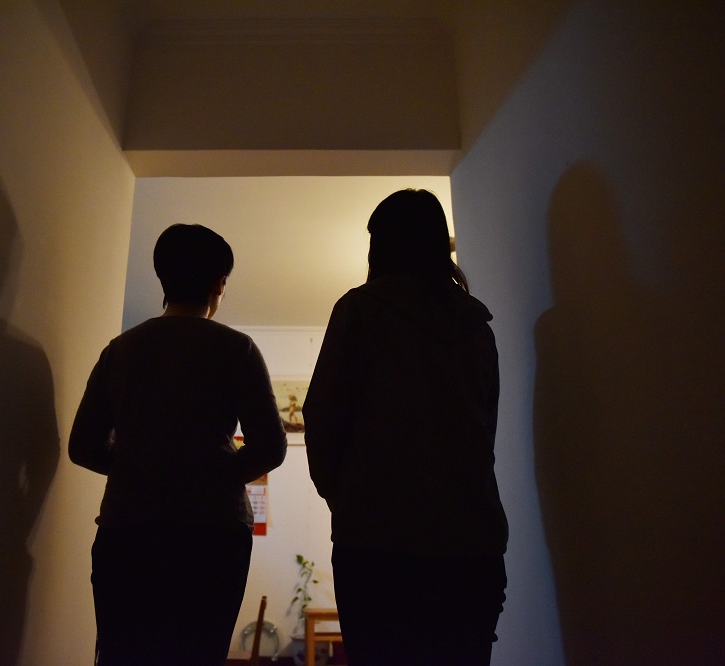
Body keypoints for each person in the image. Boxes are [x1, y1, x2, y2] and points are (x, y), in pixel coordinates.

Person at [303, 189, 508, 665]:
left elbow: (322, 418)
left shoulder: (359, 311)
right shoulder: (477, 326)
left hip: (377, 546)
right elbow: (484, 432)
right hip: (470, 546)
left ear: (379, 246)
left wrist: (346, 496)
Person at [69, 224, 287, 666]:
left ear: (162, 280)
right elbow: (270, 447)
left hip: (128, 528)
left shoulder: (120, 350)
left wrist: (139, 466)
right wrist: (215, 475)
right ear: (218, 285)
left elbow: (82, 446)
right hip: (212, 530)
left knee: (124, 652)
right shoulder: (236, 349)